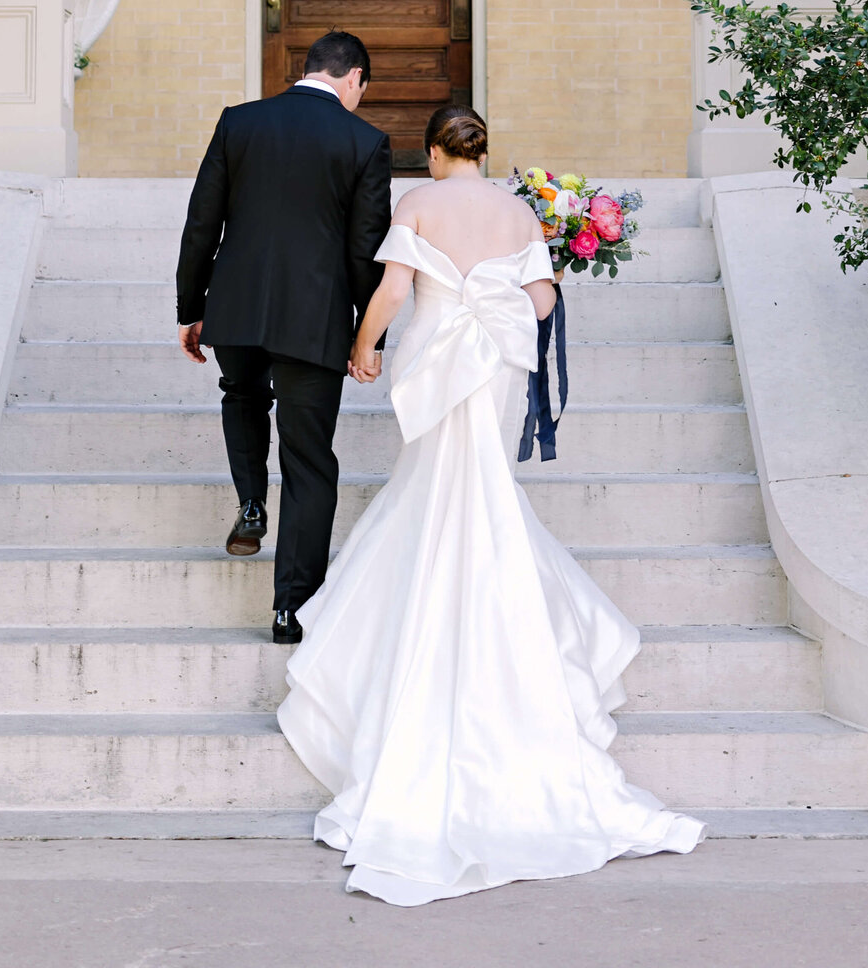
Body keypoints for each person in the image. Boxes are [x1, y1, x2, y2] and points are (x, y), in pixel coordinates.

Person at [278, 103, 705, 904]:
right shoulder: (516, 210)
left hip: (440, 361)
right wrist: (511, 290)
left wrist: (363, 347)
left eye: (431, 155)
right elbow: (541, 305)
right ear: (484, 152)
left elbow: (395, 291)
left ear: (439, 152)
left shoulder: (419, 203)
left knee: (435, 488)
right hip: (497, 366)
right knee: (486, 489)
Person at [176, 30, 392, 644]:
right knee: (308, 459)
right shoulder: (365, 142)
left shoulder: (239, 123)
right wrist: (367, 334)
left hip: (237, 307)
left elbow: (202, 221)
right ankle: (289, 609)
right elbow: (363, 251)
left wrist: (193, 307)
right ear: (353, 78)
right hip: (313, 318)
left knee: (242, 397)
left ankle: (249, 501)